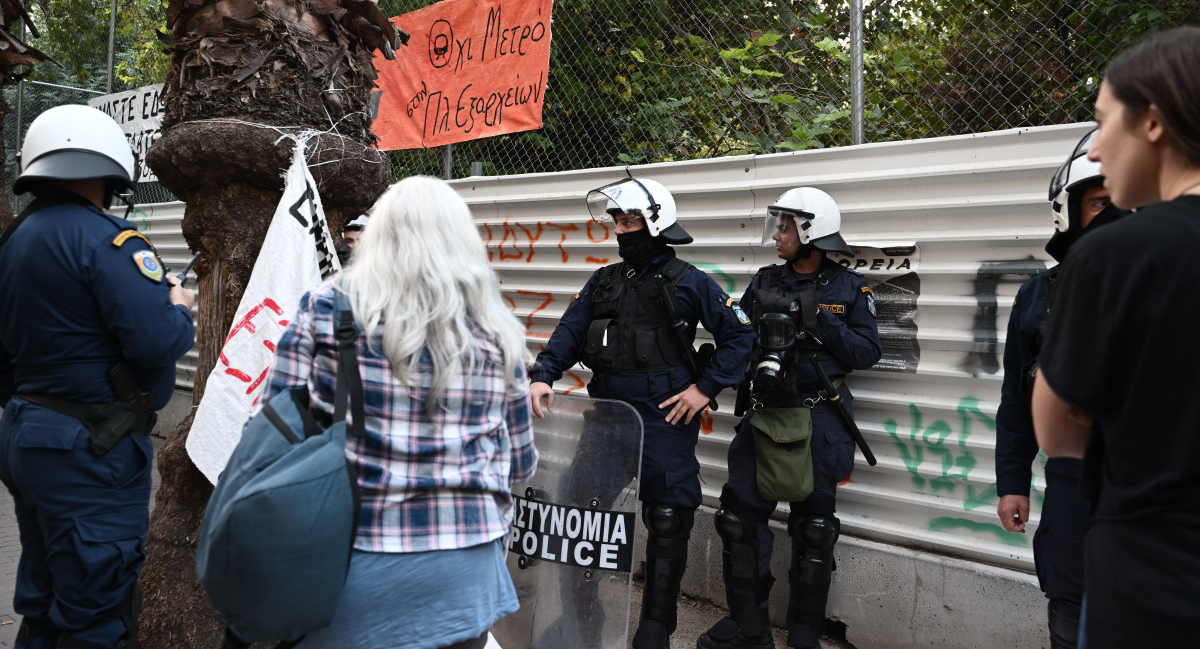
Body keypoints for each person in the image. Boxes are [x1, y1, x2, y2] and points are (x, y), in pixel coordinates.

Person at [260, 175, 538, 649]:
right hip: (467, 575)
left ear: (378, 237)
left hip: (350, 565)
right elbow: (521, 462)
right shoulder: (498, 332)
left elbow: (273, 427)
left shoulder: (328, 309)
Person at [0, 104, 196, 649]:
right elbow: (158, 340)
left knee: (42, 599)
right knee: (98, 606)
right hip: (89, 452)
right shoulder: (111, 241)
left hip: (26, 435)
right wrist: (178, 306)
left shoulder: (15, 241)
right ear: (110, 170)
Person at [528, 177, 754, 649]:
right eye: (618, 220)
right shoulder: (604, 280)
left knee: (669, 518)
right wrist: (544, 374)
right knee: (581, 515)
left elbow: (740, 337)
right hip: (607, 415)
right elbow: (570, 331)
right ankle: (582, 622)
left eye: (631, 220)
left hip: (664, 416)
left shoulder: (688, 280)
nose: (621, 229)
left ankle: (655, 629)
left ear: (655, 224)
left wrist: (704, 389)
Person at [1032, 27, 1200, 648]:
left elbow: (1057, 431)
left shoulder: (1113, 256)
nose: (1097, 151)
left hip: (1155, 578)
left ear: (1152, 122)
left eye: (1103, 123)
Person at [698, 187, 880, 649]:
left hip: (819, 417)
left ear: (812, 231)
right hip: (764, 413)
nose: (777, 234)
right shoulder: (763, 281)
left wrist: (821, 321)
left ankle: (804, 635)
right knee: (737, 520)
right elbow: (738, 337)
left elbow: (867, 353)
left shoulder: (848, 287)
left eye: (786, 226)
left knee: (815, 527)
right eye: (777, 224)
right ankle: (750, 628)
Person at [994, 129, 1127, 649]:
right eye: (1100, 203)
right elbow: (1017, 396)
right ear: (1069, 211)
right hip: (1074, 480)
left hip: (1161, 479)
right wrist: (1012, 482)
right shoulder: (1038, 296)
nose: (1117, 215)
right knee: (1070, 605)